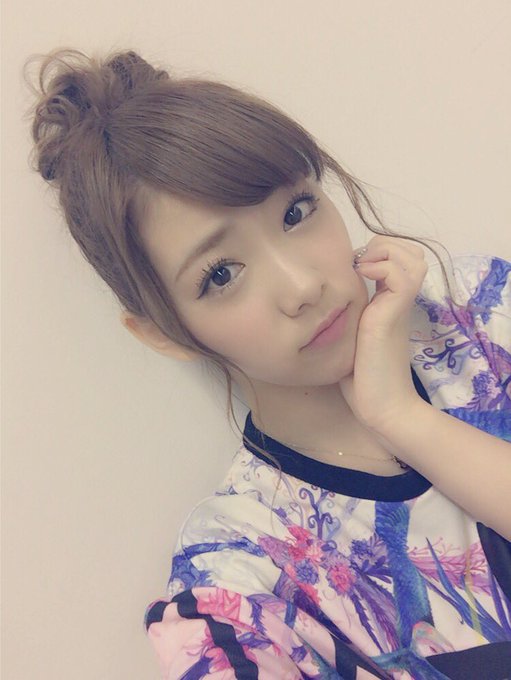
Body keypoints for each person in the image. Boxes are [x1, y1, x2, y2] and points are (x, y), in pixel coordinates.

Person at [29, 48, 511, 679]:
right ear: (162, 332)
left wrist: (403, 416)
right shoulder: (239, 580)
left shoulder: (477, 313)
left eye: (295, 212)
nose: (302, 285)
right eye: (220, 274)